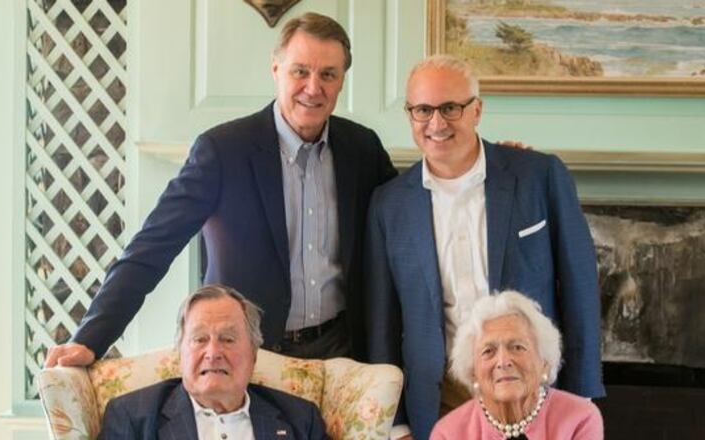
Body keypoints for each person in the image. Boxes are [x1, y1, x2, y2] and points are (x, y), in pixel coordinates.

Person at [44, 12, 397, 369]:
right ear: (276, 70)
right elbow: (150, 249)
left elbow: (403, 225)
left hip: (341, 355)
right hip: (247, 357)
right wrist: (90, 339)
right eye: (300, 71)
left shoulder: (362, 149)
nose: (313, 87)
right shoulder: (223, 151)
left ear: (342, 81)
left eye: (328, 75)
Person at [365, 54, 604, 439]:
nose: (436, 123)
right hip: (440, 397)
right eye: (423, 110)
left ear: (477, 110)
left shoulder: (538, 176)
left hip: (534, 389)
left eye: (451, 108)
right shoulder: (388, 205)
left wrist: (582, 396)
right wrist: (396, 424)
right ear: (410, 115)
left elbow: (580, 289)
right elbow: (383, 323)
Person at [98, 284, 328, 439]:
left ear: (254, 355)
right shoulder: (132, 417)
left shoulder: (300, 420)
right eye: (200, 339)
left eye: (228, 339)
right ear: (180, 354)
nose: (213, 352)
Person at [430, 291, 603, 439]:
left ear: (544, 362)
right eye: (488, 351)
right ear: (473, 371)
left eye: (517, 347)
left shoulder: (580, 419)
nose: (503, 361)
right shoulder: (448, 433)